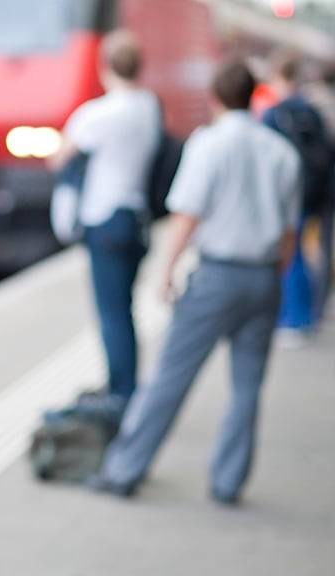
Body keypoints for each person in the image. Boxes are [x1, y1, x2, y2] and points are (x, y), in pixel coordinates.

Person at [88, 59, 302, 505]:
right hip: (264, 278)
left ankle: (123, 470)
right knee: (247, 387)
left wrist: (166, 272)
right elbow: (288, 232)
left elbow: (187, 214)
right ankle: (228, 484)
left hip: (218, 276)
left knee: (169, 377)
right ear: (252, 96)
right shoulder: (282, 152)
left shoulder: (209, 143)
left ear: (217, 98)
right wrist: (273, 277)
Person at [48, 30, 160, 403]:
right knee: (125, 309)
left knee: (110, 313)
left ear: (104, 66)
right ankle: (125, 386)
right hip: (137, 221)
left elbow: (59, 158)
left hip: (105, 222)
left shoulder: (97, 114)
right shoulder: (149, 108)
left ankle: (121, 395)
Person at [262, 51, 332, 342]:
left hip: (286, 197)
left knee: (291, 257)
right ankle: (308, 314)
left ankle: (292, 318)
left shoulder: (273, 113)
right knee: (307, 253)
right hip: (315, 194)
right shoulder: (312, 111)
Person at [301, 63, 335, 321]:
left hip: (314, 189)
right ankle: (320, 304)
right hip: (326, 188)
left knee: (307, 246)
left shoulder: (311, 104)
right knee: (325, 246)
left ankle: (310, 307)